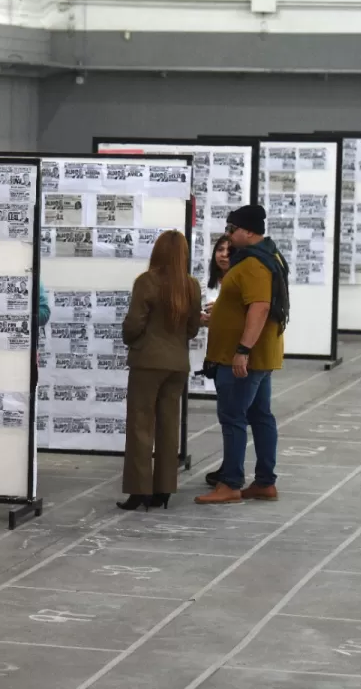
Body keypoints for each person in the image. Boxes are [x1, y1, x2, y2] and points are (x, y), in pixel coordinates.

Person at [197, 205, 287, 505]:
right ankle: (264, 482)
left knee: (233, 416)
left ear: (248, 231)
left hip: (245, 358)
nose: (228, 234)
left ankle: (231, 483)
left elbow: (259, 307)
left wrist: (242, 351)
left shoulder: (252, 264)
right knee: (260, 415)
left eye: (231, 228)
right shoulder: (267, 255)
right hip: (259, 355)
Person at [118, 230, 202, 511]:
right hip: (177, 364)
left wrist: (133, 341)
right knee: (169, 427)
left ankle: (139, 490)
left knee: (141, 425)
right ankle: (164, 489)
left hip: (147, 363)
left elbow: (133, 323)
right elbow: (192, 329)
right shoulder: (191, 286)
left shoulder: (147, 282)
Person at [202, 234, 234, 487]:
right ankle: (229, 466)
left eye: (228, 250)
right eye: (219, 249)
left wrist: (219, 315)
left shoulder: (238, 280)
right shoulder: (209, 282)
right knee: (226, 413)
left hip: (232, 353)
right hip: (214, 351)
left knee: (233, 415)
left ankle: (231, 471)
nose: (223, 254)